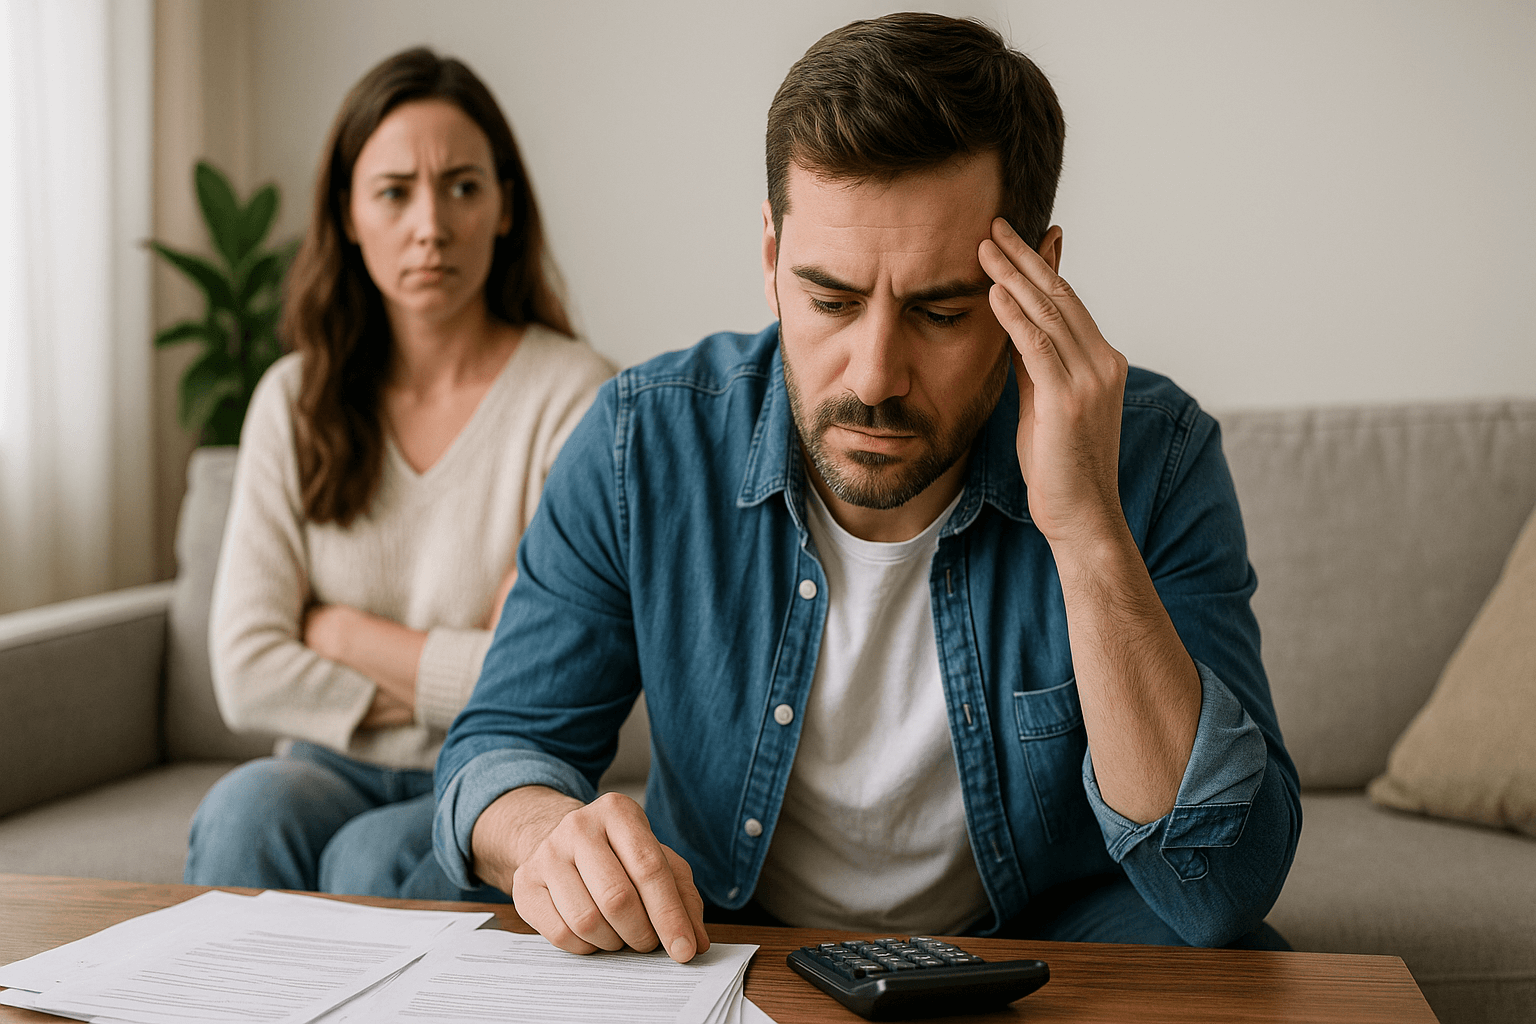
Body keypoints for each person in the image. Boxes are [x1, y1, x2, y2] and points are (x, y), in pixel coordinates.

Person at [435, 13, 1300, 956]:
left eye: (939, 310)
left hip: (1043, 943)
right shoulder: (641, 443)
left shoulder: (1154, 456)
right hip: (729, 937)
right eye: (831, 300)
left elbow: (1223, 889)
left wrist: (1088, 530)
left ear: (1039, 279)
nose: (874, 375)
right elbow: (496, 750)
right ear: (771, 260)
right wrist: (545, 837)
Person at [184, 47, 614, 899]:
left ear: (503, 208)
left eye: (462, 187)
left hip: (499, 774)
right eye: (394, 192)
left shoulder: (574, 396)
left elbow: (528, 681)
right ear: (347, 213)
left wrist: (340, 633)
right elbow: (245, 669)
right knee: (242, 810)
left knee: (368, 862)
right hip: (322, 764)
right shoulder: (293, 397)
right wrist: (449, 664)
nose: (431, 224)